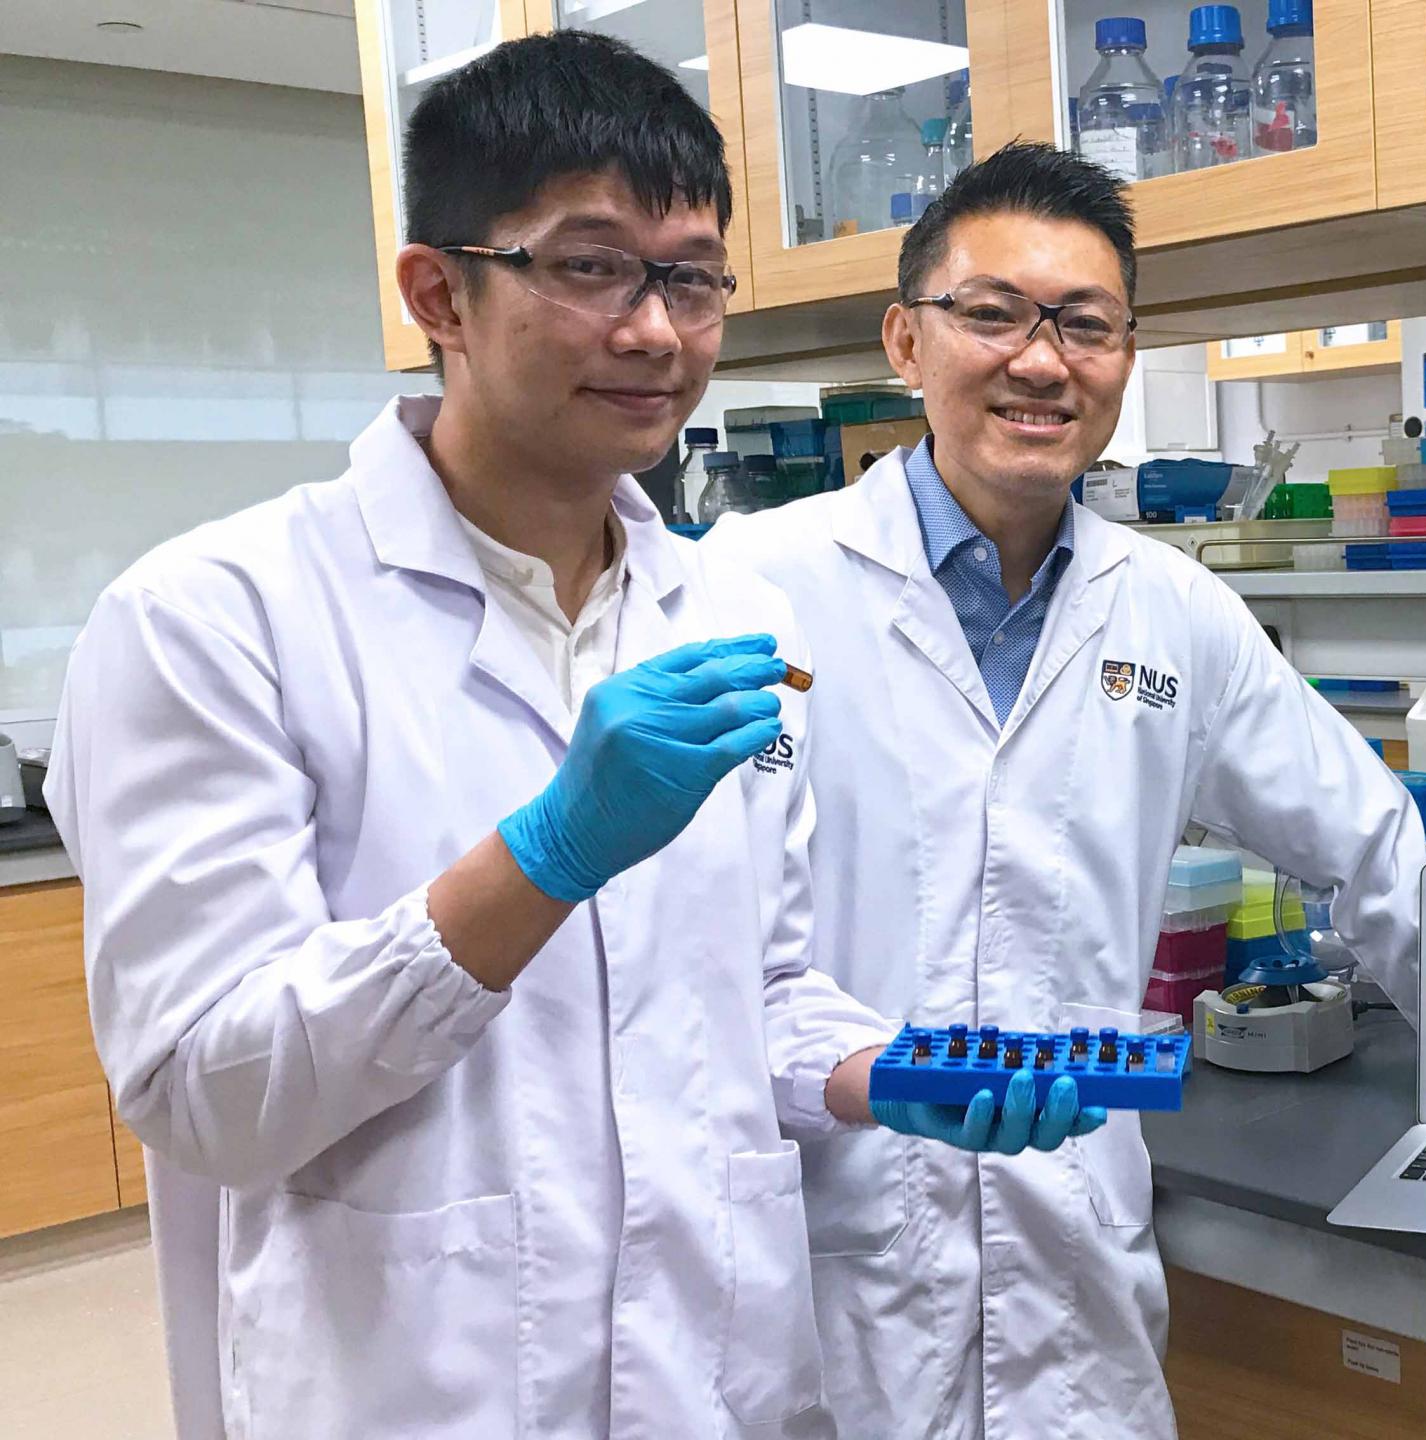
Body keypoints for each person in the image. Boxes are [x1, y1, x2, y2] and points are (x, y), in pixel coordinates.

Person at [49, 35, 1086, 1440]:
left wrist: (882, 1071)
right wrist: (544, 856)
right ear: (440, 293)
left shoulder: (724, 604)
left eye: (691, 275)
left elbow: (755, 988)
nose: (658, 330)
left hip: (721, 1385)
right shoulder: (215, 620)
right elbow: (207, 1093)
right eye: (591, 265)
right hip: (416, 1391)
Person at [698, 140, 1426, 1439]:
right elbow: (676, 971)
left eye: (1084, 326)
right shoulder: (749, 589)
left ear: (1124, 357)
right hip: (819, 1272)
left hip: (1074, 1289)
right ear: (906, 341)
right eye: (991, 315)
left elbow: (1377, 857)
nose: (1042, 361)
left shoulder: (1172, 614)